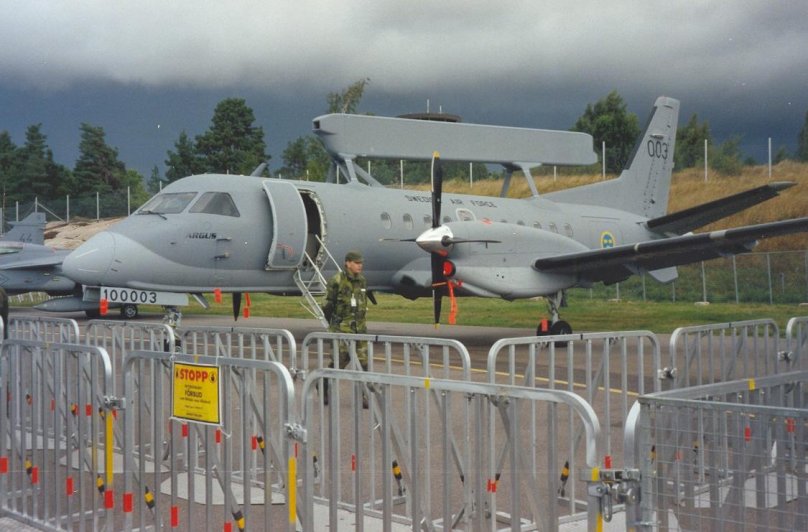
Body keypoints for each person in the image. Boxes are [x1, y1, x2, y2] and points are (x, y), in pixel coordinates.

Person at [321, 250, 369, 405]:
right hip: (341, 330)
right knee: (339, 363)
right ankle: (323, 384)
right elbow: (327, 305)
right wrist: (335, 324)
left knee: (364, 363)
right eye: (356, 263)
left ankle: (364, 395)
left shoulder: (362, 281)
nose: (359, 266)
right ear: (347, 263)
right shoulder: (336, 280)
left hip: (359, 330)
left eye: (360, 263)